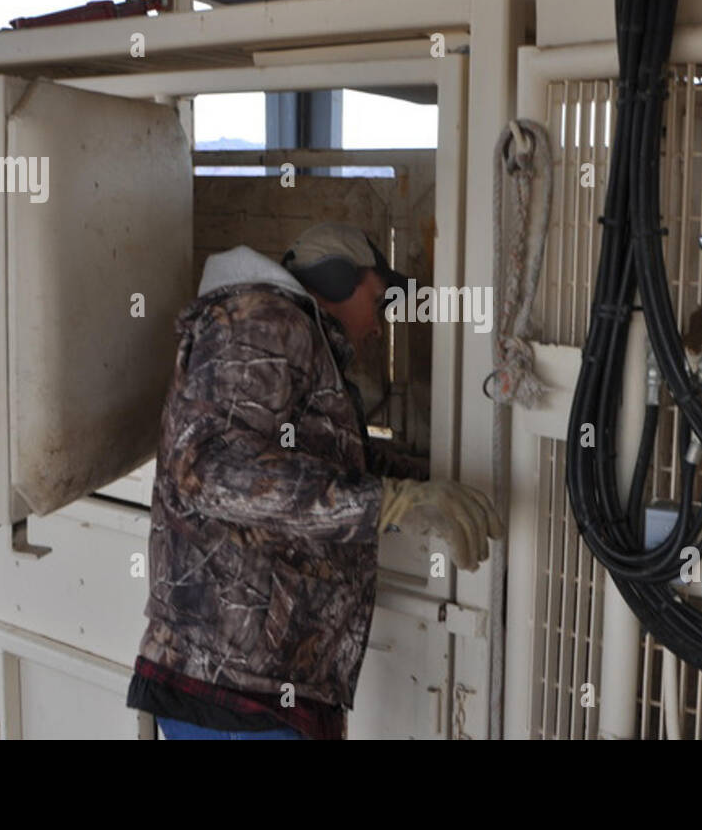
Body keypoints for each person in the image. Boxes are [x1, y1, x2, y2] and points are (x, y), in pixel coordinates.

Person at [126, 223, 503, 739]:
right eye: (382, 298)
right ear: (338, 277)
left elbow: (324, 464)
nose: (382, 323)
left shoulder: (293, 338)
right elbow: (211, 469)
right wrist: (389, 503)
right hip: (235, 692)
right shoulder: (267, 324)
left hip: (259, 688)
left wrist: (425, 490)